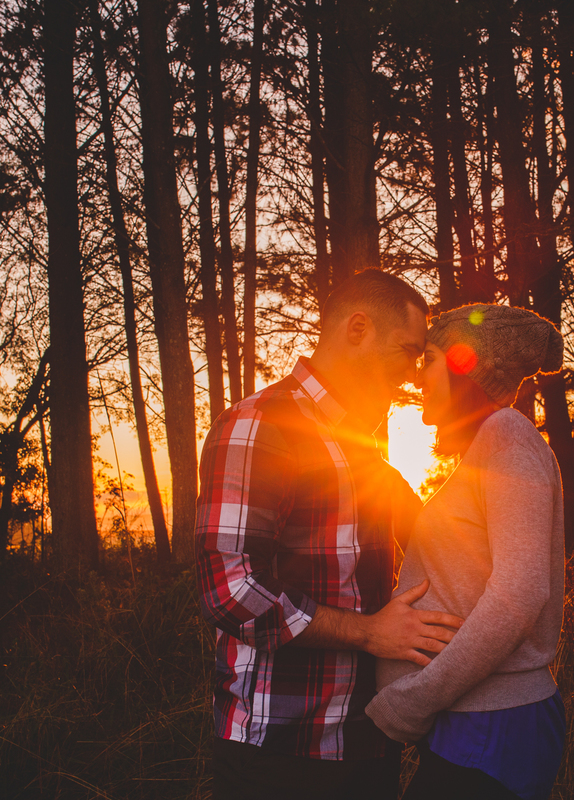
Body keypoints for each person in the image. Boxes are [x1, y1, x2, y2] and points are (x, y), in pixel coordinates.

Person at [195, 269, 465, 800]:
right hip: (280, 755)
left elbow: (435, 542)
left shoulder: (359, 445)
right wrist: (370, 633)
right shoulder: (261, 424)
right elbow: (230, 590)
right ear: (357, 329)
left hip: (366, 745)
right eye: (407, 351)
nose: (413, 375)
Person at [367, 303, 568, 800]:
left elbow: (521, 591)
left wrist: (414, 700)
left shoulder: (507, 437)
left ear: (465, 367)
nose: (418, 377)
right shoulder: (486, 447)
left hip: (493, 725)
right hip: (475, 722)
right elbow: (461, 558)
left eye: (430, 360)